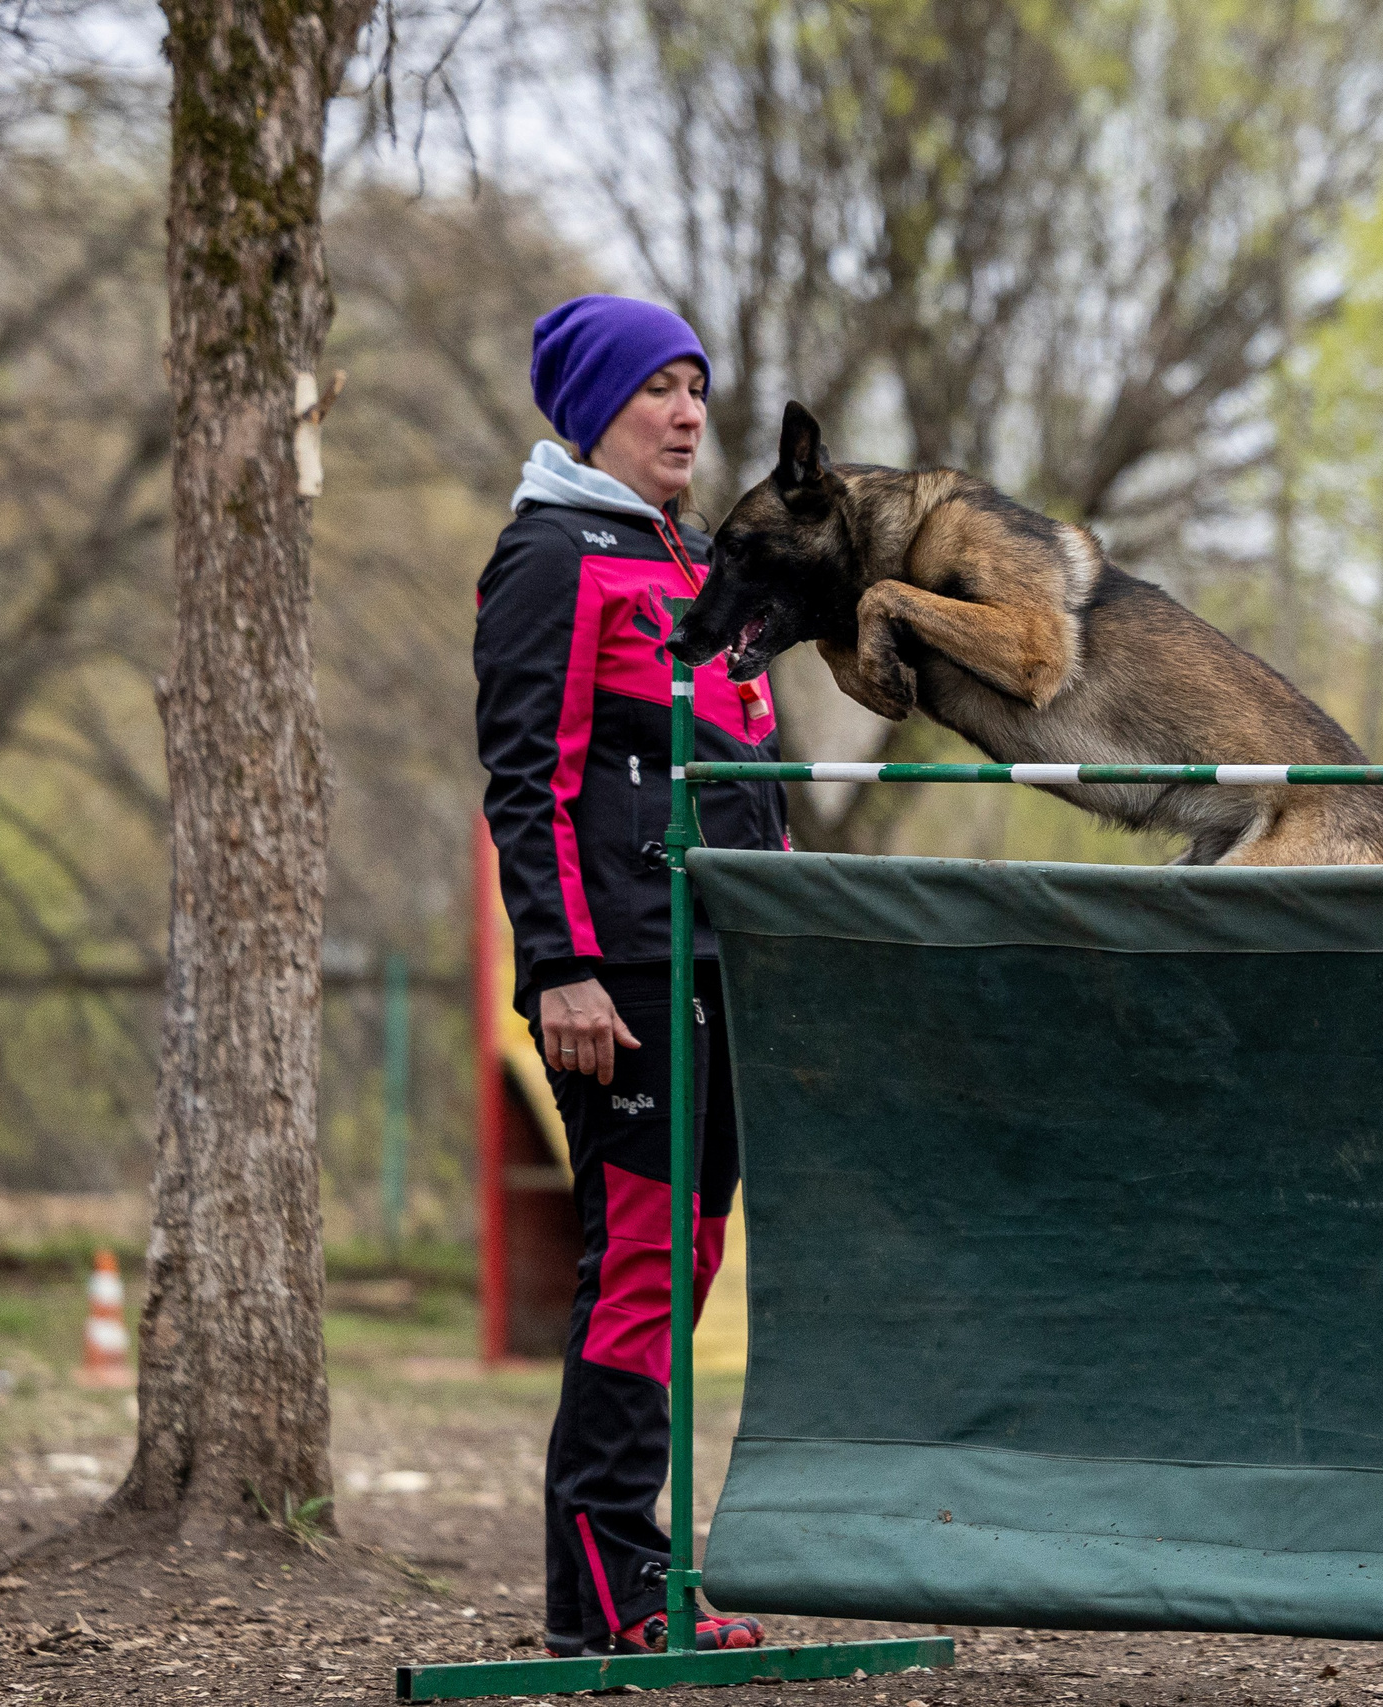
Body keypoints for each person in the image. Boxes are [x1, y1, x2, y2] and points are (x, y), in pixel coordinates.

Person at [474, 293, 787, 1658]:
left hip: (725, 960)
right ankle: (600, 1600)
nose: (686, 411)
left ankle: (649, 1577)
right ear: (594, 404)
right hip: (624, 976)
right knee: (643, 1263)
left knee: (694, 1254)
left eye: (696, 387)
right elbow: (526, 776)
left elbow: (755, 775)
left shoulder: (698, 556)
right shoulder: (549, 552)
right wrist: (561, 968)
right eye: (657, 385)